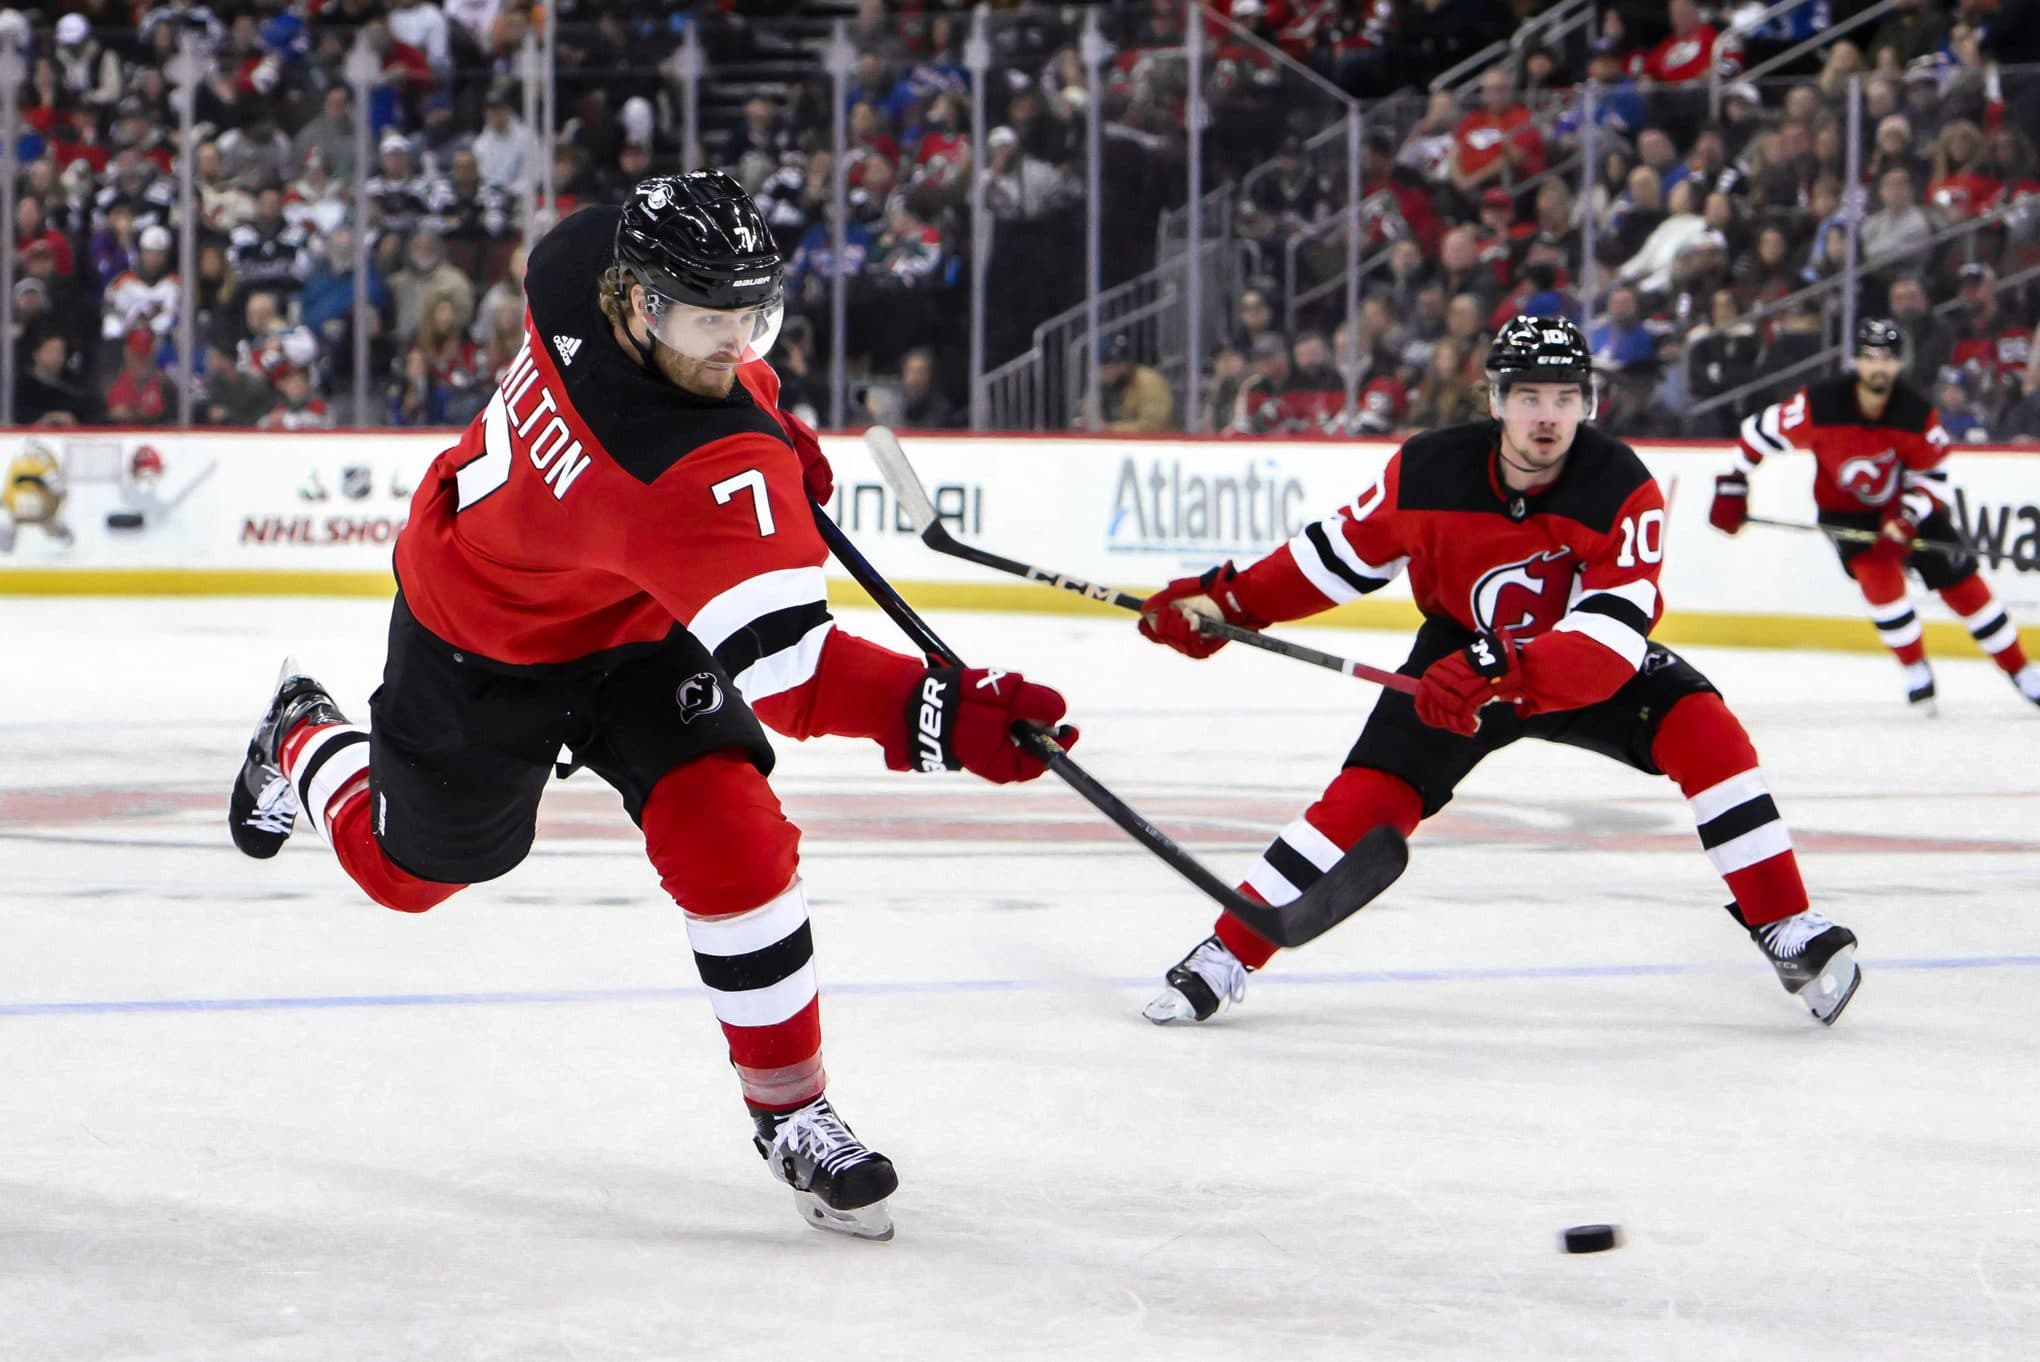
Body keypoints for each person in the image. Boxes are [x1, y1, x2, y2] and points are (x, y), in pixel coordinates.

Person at [225, 171, 1075, 1242]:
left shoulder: (579, 257)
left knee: (729, 826)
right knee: (411, 877)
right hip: (481, 631)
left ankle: (794, 1113)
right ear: (639, 304)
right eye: (708, 320)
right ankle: (300, 728)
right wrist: (950, 713)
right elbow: (801, 680)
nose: (735, 343)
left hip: (630, 616)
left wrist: (771, 422)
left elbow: (712, 388)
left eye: (751, 318)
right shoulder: (676, 476)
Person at [1135, 317, 1861, 1029]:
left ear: (1589, 404)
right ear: (1494, 400)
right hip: (1459, 658)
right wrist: (1226, 602)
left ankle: (1786, 926)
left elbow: (1610, 640)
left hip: (1572, 664)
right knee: (1367, 801)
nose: (1547, 417)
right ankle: (1225, 955)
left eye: (1565, 398)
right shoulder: (1427, 470)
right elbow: (1331, 558)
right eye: (1529, 397)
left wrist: (1504, 663)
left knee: (1707, 732)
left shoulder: (1621, 489)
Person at [1712, 318, 2040, 714]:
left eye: (1886, 358)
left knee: (1965, 587)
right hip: (1846, 514)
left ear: (1899, 363)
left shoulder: (1917, 414)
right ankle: (1915, 669)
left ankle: (2022, 671)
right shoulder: (1819, 405)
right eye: (1869, 358)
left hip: (1906, 510)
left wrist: (1905, 518)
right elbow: (1755, 433)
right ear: (1855, 361)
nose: (1878, 367)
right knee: (1880, 585)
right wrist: (1732, 484)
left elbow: (1932, 478)